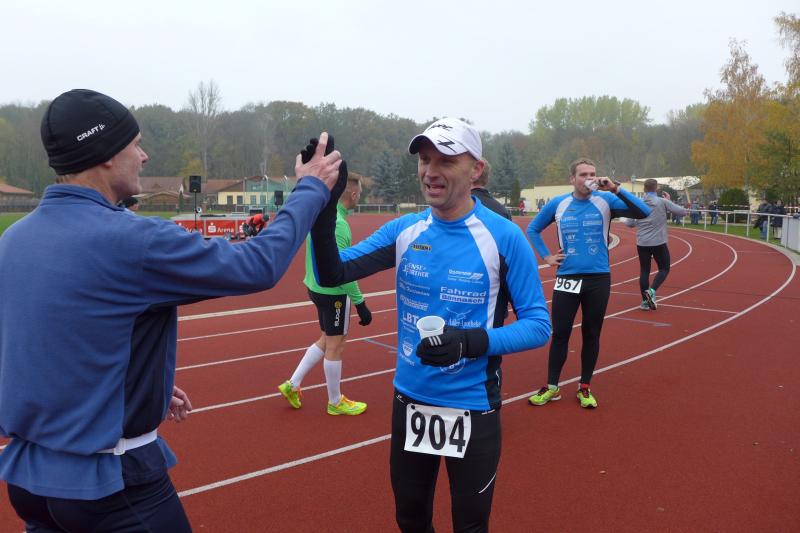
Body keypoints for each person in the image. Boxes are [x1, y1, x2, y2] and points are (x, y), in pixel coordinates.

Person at [0, 89, 343, 532]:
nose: (143, 156)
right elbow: (258, 265)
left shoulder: (13, 241)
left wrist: (137, 384)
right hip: (111, 484)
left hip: (29, 482)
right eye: (136, 144)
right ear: (106, 154)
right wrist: (311, 188)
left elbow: (40, 341)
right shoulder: (133, 240)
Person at [309, 117, 551, 533]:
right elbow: (331, 272)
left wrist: (469, 342)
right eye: (424, 160)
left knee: (469, 527)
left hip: (472, 406)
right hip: (411, 401)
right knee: (410, 519)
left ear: (475, 169)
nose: (430, 171)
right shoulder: (405, 230)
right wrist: (323, 206)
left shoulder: (504, 237)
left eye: (445, 161)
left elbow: (538, 324)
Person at [526, 158, 651, 409]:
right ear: (572, 179)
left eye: (592, 174)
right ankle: (552, 386)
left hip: (598, 279)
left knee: (591, 333)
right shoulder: (558, 203)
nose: (589, 178)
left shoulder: (606, 200)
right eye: (583, 174)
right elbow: (533, 229)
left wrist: (615, 188)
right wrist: (547, 257)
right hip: (567, 278)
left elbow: (643, 212)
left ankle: (585, 386)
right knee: (560, 333)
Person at [278, 175, 373, 415]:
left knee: (326, 338)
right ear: (353, 195)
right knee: (336, 345)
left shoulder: (324, 215)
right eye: (360, 194)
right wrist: (360, 303)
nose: (360, 197)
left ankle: (292, 384)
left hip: (316, 288)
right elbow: (343, 269)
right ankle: (335, 402)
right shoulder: (339, 224)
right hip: (334, 294)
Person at [624, 178, 688, 310]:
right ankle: (652, 290)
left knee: (644, 271)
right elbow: (683, 212)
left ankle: (644, 302)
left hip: (642, 243)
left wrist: (639, 220)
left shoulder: (638, 203)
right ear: (657, 188)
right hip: (658, 242)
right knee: (664, 269)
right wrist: (669, 201)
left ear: (644, 189)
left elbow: (629, 223)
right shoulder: (662, 202)